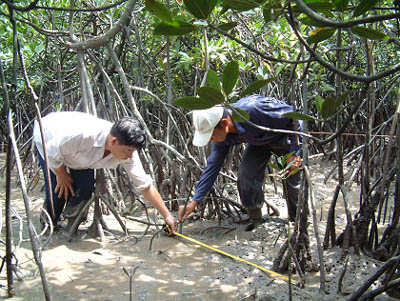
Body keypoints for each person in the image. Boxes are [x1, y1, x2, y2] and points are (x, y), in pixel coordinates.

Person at [33, 111, 177, 232]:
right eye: (128, 151)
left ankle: (71, 226)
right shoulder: (82, 136)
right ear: (113, 142)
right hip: (48, 138)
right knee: (57, 190)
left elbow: (145, 186)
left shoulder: (127, 148)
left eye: (133, 151)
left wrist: (167, 216)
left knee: (85, 188)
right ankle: (48, 226)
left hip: (79, 155)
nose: (130, 156)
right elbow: (52, 150)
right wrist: (61, 173)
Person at [178, 94, 303, 231]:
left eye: (211, 135)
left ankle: (298, 222)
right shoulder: (222, 136)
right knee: (245, 175)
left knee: (292, 178)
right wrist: (194, 202)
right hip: (259, 142)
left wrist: (295, 152)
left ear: (225, 124)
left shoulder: (253, 110)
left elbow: (295, 118)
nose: (210, 140)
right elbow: (212, 167)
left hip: (284, 137)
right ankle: (256, 220)